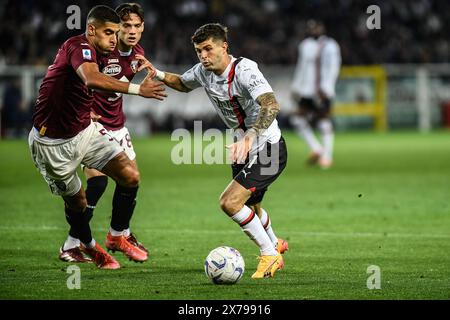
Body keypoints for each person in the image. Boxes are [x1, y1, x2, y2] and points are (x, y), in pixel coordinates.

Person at [28, 5, 166, 269]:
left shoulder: (113, 52)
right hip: (53, 144)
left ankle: (117, 236)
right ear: (91, 30)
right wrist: (138, 88)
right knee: (80, 201)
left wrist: (84, 108)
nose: (116, 38)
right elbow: (91, 79)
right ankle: (86, 245)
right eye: (110, 32)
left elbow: (78, 85)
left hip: (86, 130)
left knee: (130, 176)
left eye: (119, 32)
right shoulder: (79, 47)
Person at [149, 23, 288, 279]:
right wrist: (156, 72)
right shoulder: (204, 72)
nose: (203, 55)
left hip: (267, 148)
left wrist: (249, 137)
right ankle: (275, 242)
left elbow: (271, 105)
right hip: (241, 147)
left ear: (224, 47)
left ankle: (270, 254)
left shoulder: (245, 70)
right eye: (199, 50)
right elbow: (181, 83)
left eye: (208, 49)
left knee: (230, 202)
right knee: (253, 206)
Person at [59, 3, 149, 264]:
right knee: (97, 183)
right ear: (116, 28)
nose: (131, 32)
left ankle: (120, 233)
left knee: (131, 181)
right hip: (93, 126)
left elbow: (118, 84)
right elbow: (82, 78)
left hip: (118, 124)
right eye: (126, 26)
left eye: (136, 26)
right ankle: (73, 242)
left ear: (143, 27)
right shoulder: (97, 51)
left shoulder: (137, 54)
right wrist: (82, 110)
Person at [290, 20, 341, 169]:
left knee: (324, 122)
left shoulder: (330, 45)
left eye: (317, 27)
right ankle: (317, 148)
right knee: (297, 120)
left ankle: (327, 157)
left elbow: (334, 67)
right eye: (311, 27)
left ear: (322, 28)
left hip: (322, 90)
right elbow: (301, 67)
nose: (314, 30)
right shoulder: (305, 45)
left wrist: (328, 87)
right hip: (306, 89)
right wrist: (296, 87)